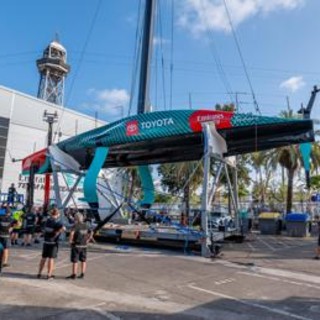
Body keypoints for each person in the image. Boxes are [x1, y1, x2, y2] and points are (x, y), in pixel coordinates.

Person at [37, 208, 64, 280]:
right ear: (57, 214)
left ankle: (39, 273)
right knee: (51, 259)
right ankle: (49, 274)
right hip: (53, 242)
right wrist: (58, 233)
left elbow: (42, 229)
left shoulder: (47, 221)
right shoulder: (57, 222)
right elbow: (63, 228)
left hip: (46, 241)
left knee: (43, 258)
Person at [66, 212, 92, 280]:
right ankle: (82, 273)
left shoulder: (75, 226)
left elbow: (72, 233)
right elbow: (91, 232)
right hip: (84, 245)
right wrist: (88, 239)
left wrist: (70, 241)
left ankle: (74, 274)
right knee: (83, 260)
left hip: (76, 245)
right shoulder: (86, 225)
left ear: (76, 218)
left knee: (75, 260)